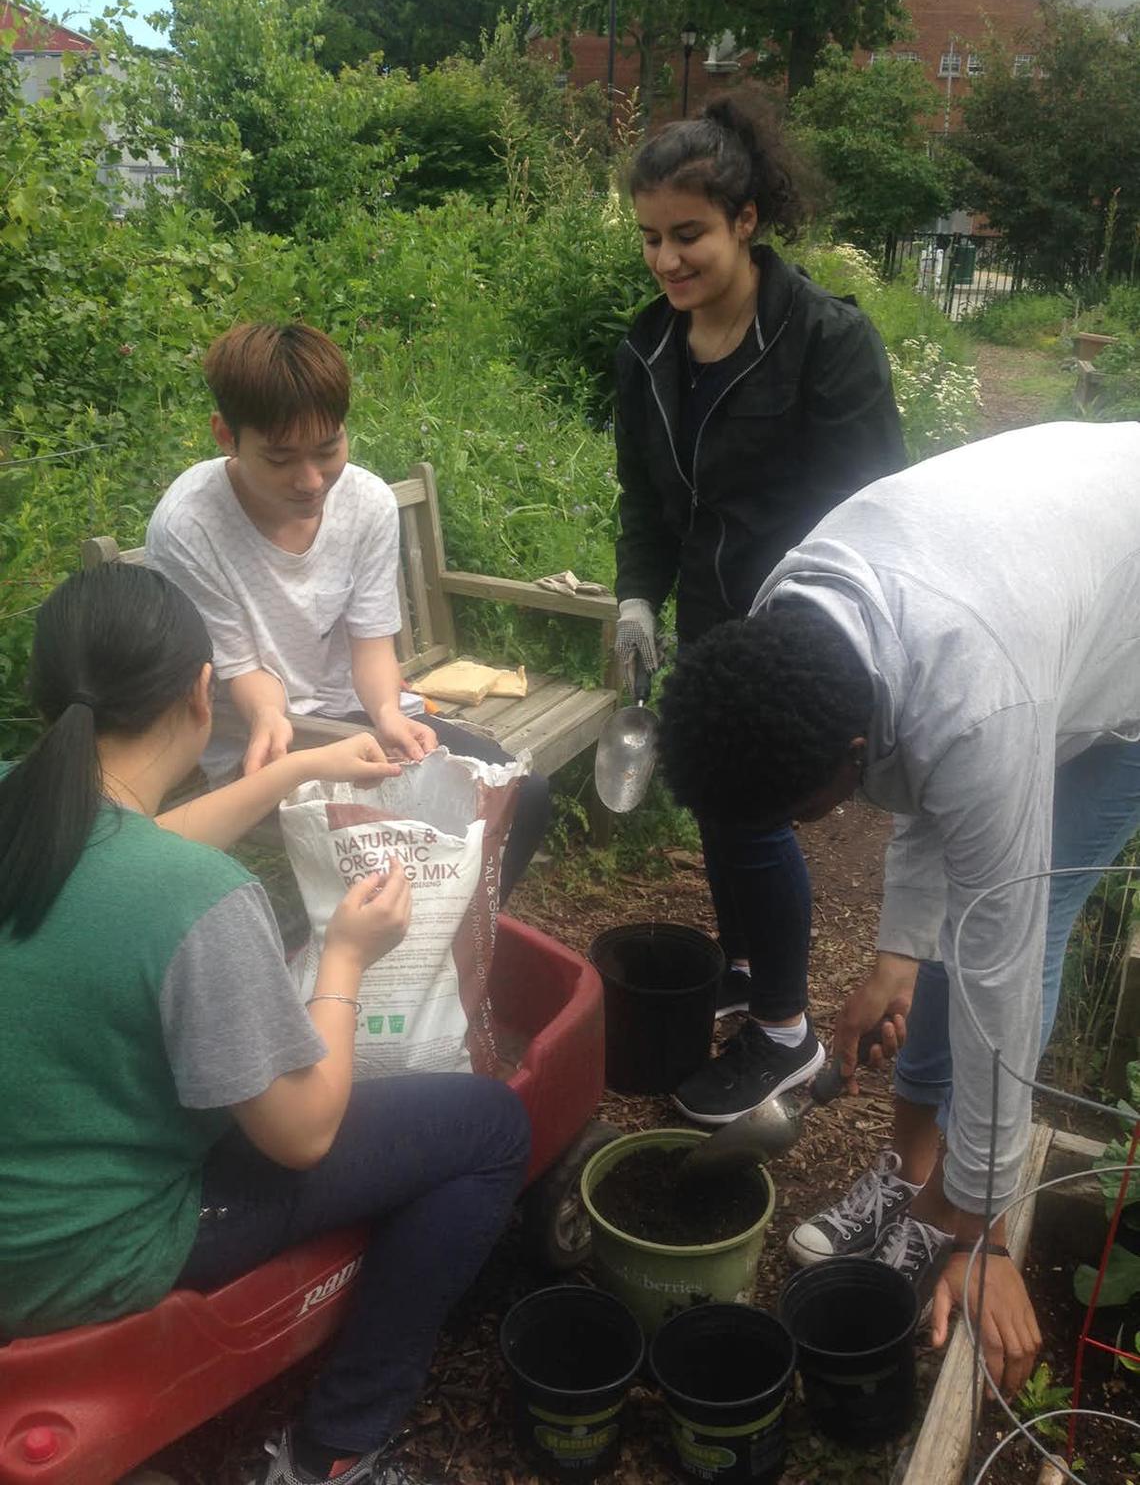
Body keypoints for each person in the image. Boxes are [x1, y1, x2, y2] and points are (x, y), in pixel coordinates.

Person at [0, 565, 531, 1485]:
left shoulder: (23, 803)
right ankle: (335, 1450)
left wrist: (299, 764)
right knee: (490, 1127)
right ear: (203, 693)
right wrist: (345, 960)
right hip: (81, 1256)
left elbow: (125, 853)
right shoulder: (200, 904)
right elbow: (302, 1133)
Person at [656, 418, 1140, 1397]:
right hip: (1033, 595)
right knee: (948, 929)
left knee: (1019, 920)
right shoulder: (788, 612)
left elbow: (996, 941)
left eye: (802, 813)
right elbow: (922, 771)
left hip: (1121, 662)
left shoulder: (975, 695)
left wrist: (992, 1225)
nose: (809, 824)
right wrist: (895, 956)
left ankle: (958, 1211)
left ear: (847, 751)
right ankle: (918, 1177)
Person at [611, 94, 906, 1125]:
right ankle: (744, 963)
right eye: (650, 237)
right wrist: (637, 596)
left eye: (687, 234)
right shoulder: (648, 353)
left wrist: (802, 637)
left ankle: (785, 1034)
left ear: (744, 220)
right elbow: (644, 500)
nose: (666, 260)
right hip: (709, 616)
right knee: (715, 806)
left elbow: (879, 505)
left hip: (801, 638)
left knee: (751, 813)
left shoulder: (827, 340)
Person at [145, 321, 548, 902]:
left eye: (328, 449)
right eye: (280, 458)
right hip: (269, 743)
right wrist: (269, 718)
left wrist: (387, 711)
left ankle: (448, 951)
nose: (311, 481)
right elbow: (240, 668)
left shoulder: (367, 503)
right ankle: (387, 956)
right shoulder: (189, 524)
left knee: (522, 795)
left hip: (359, 720)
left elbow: (371, 644)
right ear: (225, 435)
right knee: (418, 835)